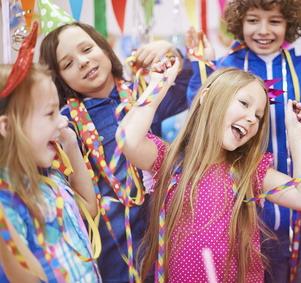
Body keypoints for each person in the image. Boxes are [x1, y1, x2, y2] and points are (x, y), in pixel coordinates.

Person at [185, 0, 301, 281]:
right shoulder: (225, 70)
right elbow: (200, 121)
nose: (263, 31)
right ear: (239, 23)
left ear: (289, 24)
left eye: (274, 21)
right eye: (253, 20)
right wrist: (201, 69)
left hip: (296, 227)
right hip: (234, 225)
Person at [118, 64, 301, 282]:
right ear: (206, 97)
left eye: (258, 116)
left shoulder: (249, 172)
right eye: (244, 103)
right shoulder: (168, 161)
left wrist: (297, 135)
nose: (252, 119)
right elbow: (128, 139)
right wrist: (157, 87)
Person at [39, 22, 191, 282]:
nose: (84, 62)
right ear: (59, 78)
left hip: (163, 231)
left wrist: (170, 53)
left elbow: (192, 87)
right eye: (68, 64)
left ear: (105, 48)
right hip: (112, 243)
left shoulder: (143, 92)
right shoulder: (65, 124)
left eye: (87, 49)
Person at [0, 24, 100, 282]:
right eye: (50, 114)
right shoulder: (8, 202)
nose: (62, 122)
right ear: (7, 127)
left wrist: (71, 144)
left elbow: (89, 208)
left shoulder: (50, 174)